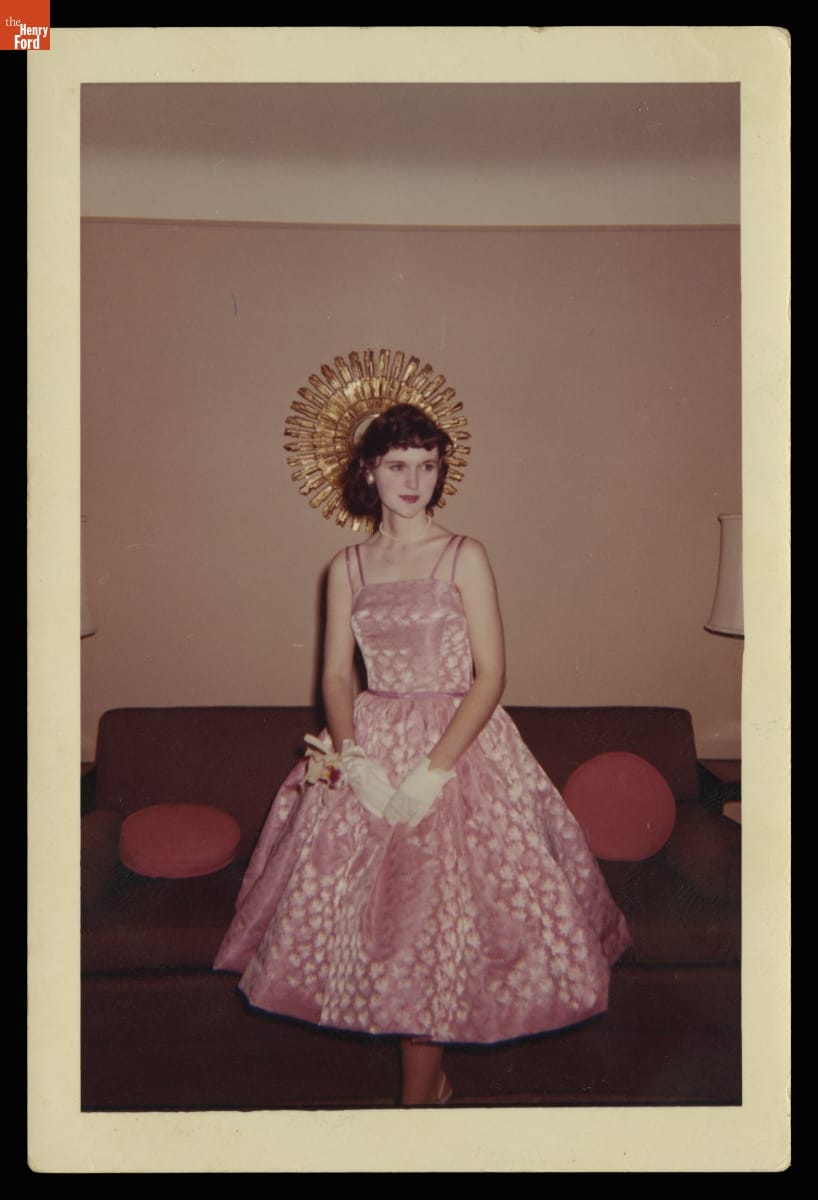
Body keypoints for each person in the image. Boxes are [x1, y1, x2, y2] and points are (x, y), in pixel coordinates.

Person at [214, 402, 630, 1106]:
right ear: (369, 472)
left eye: (428, 465)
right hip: (372, 747)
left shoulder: (464, 553)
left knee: (434, 922)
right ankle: (427, 1086)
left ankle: (417, 1102)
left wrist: (434, 771)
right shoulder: (346, 565)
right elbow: (337, 675)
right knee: (386, 927)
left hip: (460, 747)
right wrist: (358, 763)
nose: (415, 480)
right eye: (399, 465)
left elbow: (492, 675)